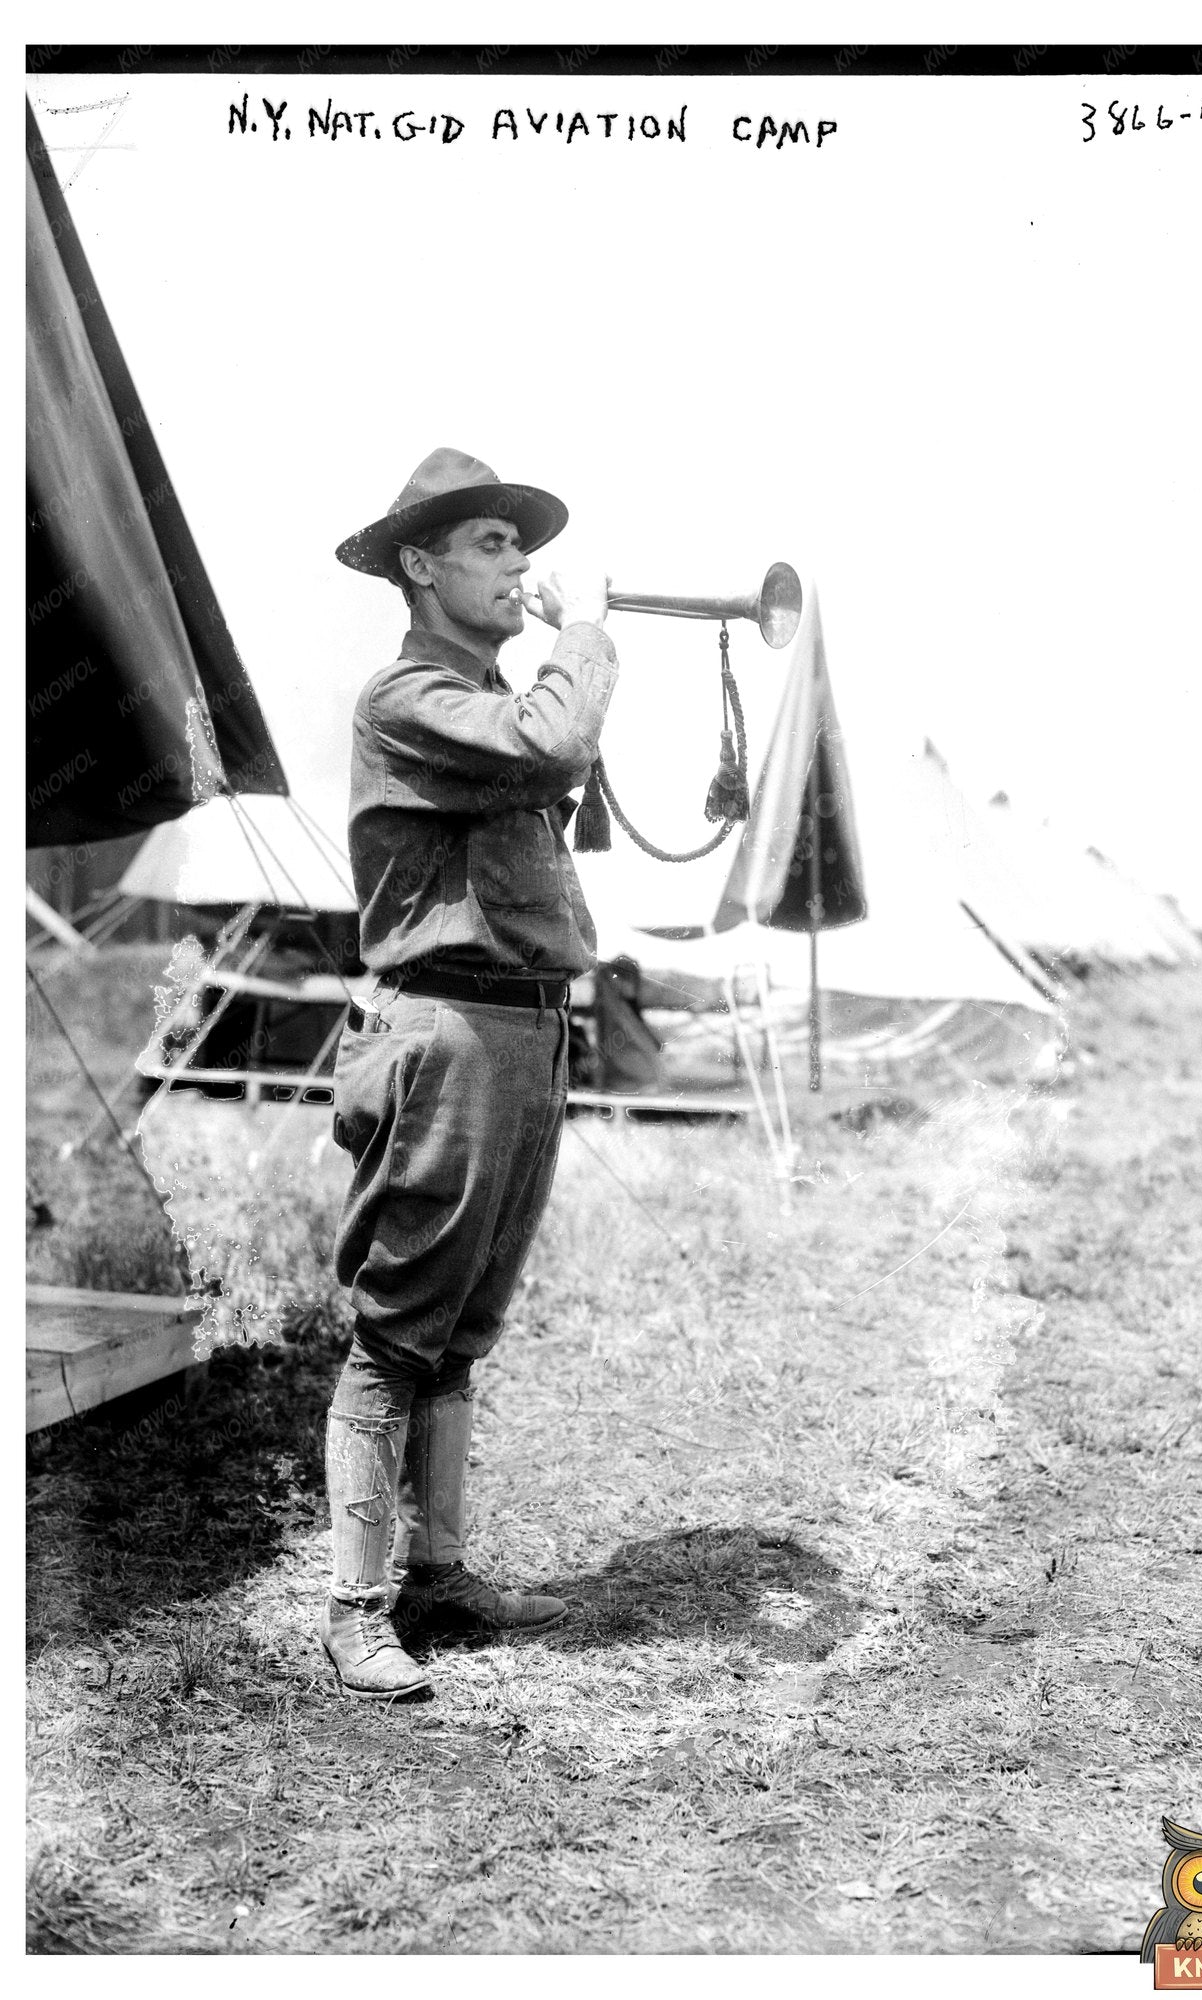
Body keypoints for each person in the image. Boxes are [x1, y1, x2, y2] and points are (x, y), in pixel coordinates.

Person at [323, 447, 617, 1699]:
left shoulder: (490, 704)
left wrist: (565, 669)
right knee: (397, 1332)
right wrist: (587, 637)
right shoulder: (409, 697)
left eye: (516, 543)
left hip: (523, 1027)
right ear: (420, 565)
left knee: (461, 1333)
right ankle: (354, 1608)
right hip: (446, 1032)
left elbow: (557, 767)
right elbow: (550, 737)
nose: (516, 566)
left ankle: (439, 1576)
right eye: (489, 545)